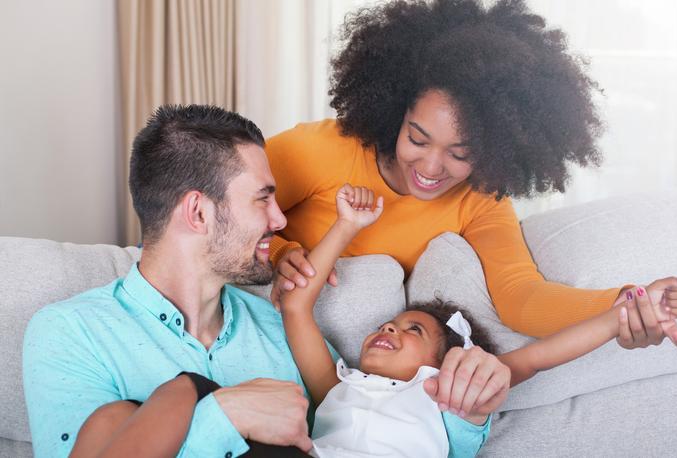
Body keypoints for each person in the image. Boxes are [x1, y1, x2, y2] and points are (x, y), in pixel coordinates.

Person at [22, 104, 509, 457]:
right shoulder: (70, 332)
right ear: (197, 211)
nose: (281, 220)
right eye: (263, 199)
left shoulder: (282, 329)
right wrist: (223, 416)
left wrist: (469, 411)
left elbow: (381, 429)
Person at [265, 0, 677, 349]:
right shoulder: (320, 150)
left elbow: (520, 297)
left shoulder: (480, 203)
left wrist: (625, 303)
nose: (432, 168)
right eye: (417, 139)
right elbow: (217, 208)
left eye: (461, 153)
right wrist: (278, 251)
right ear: (393, 112)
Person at [278, 184, 677, 456]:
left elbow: (536, 358)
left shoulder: (450, 393)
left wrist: (623, 314)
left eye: (412, 329)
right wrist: (347, 225)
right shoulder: (335, 385)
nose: (389, 328)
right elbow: (296, 307)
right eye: (391, 323)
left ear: (442, 363)